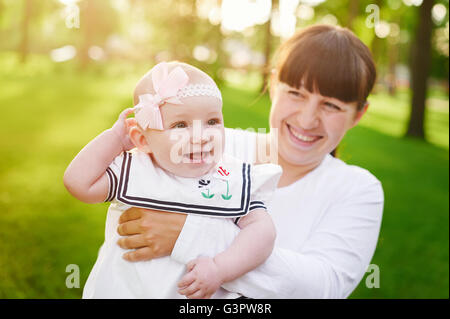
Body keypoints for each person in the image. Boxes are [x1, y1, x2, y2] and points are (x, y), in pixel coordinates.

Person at [115, 24, 385, 299]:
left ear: (358, 115)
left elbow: (320, 288)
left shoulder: (357, 189)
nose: (307, 119)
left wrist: (188, 236)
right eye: (296, 93)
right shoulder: (205, 146)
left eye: (332, 105)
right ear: (272, 84)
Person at [63, 61, 282, 298]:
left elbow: (263, 232)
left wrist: (221, 268)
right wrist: (115, 138)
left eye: (212, 121)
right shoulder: (137, 170)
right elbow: (78, 183)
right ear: (143, 140)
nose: (200, 136)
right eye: (180, 125)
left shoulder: (230, 178)